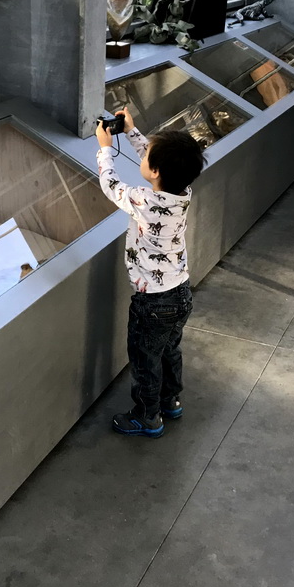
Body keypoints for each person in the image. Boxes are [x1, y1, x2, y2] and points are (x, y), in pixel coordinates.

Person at [95, 107, 206, 438]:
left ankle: (147, 416)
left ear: (154, 171)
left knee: (145, 360)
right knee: (169, 350)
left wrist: (104, 147)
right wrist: (131, 131)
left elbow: (110, 184)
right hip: (181, 292)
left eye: (148, 158)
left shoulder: (144, 200)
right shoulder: (183, 191)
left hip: (153, 302)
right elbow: (158, 162)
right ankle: (170, 400)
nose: (144, 159)